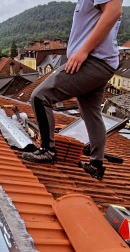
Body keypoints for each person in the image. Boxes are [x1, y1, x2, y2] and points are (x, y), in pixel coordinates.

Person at [22, 0, 123, 180]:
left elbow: (114, 11)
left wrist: (83, 51)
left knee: (40, 97)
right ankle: (96, 165)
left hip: (92, 61)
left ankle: (47, 151)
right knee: (90, 112)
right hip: (102, 62)